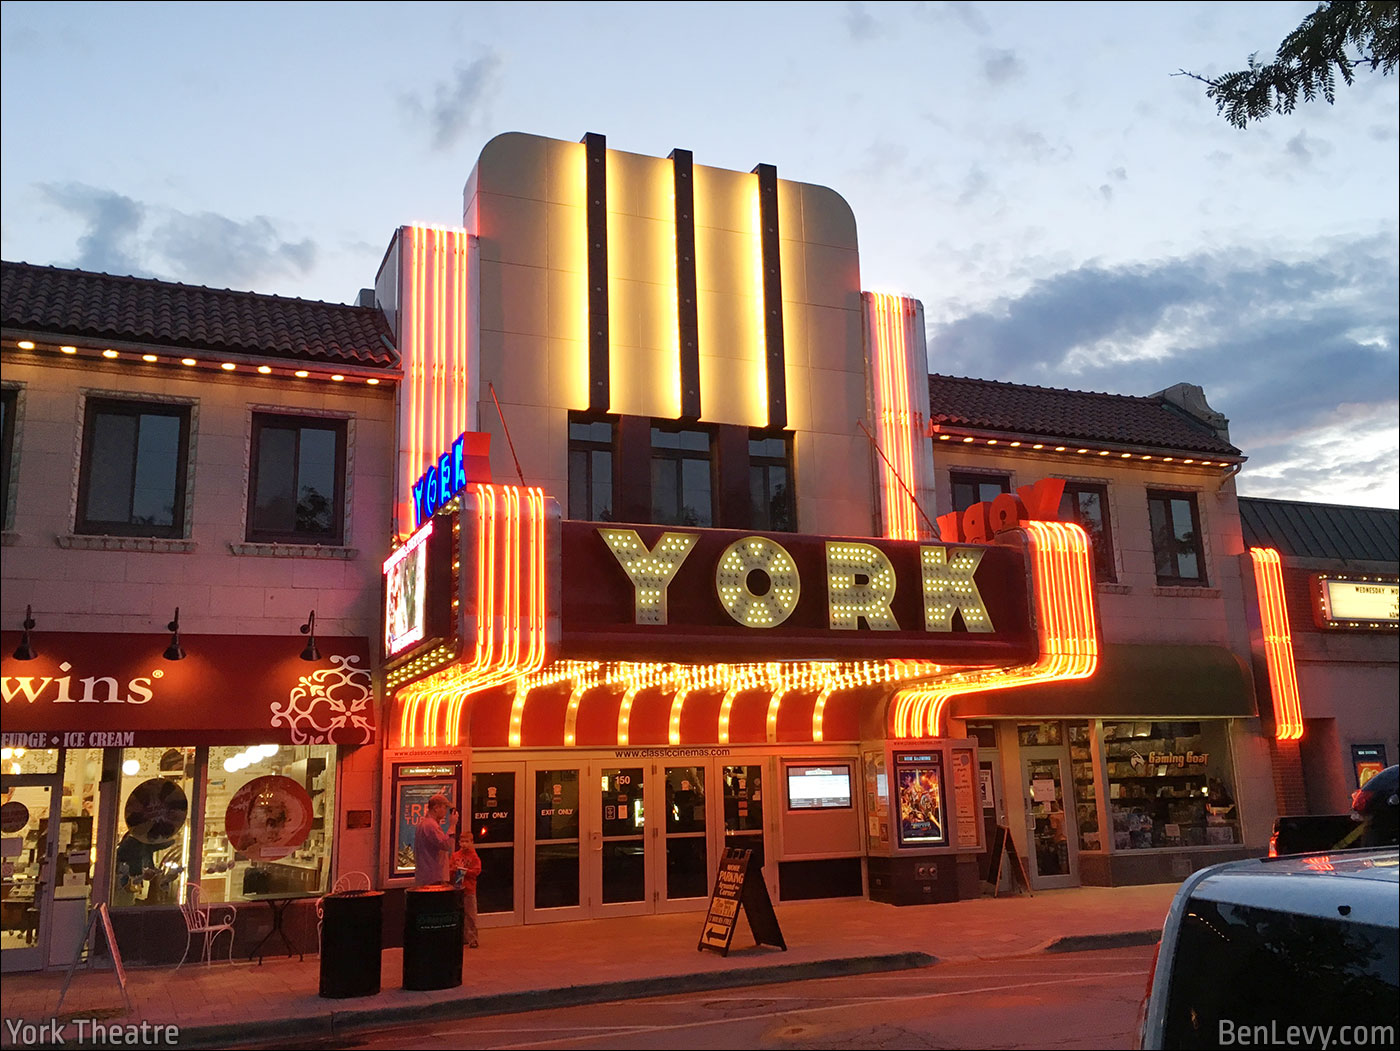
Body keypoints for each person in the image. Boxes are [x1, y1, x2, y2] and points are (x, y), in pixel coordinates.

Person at [413, 794, 457, 885]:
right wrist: (452, 825)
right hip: (433, 877)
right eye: (444, 808)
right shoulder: (431, 826)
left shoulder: (423, 824)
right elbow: (445, 844)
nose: (445, 812)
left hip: (425, 876)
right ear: (436, 808)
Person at [451, 831, 483, 948]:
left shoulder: (474, 857)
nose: (464, 844)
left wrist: (464, 871)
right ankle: (462, 937)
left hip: (469, 889)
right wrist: (454, 870)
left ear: (472, 842)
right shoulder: (455, 856)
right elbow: (450, 869)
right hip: (457, 889)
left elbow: (476, 871)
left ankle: (473, 939)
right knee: (459, 914)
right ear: (459, 842)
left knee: (470, 915)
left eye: (467, 841)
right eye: (462, 841)